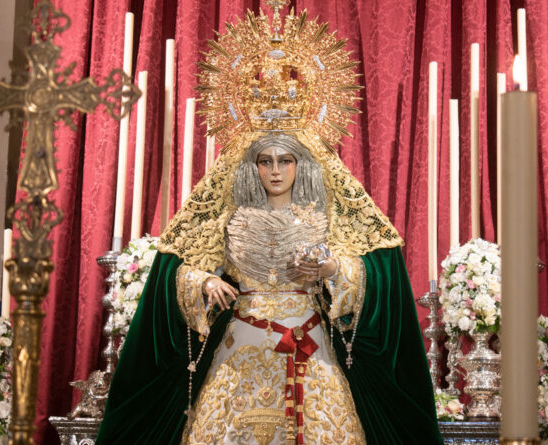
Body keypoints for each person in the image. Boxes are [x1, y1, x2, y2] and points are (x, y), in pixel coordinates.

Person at [96, 4, 442, 444]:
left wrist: (333, 269)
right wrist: (204, 282)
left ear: (302, 164)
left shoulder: (324, 215)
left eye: (285, 160)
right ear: (252, 166)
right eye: (265, 161)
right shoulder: (230, 214)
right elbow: (180, 267)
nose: (275, 170)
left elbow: (372, 268)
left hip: (310, 344)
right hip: (243, 343)